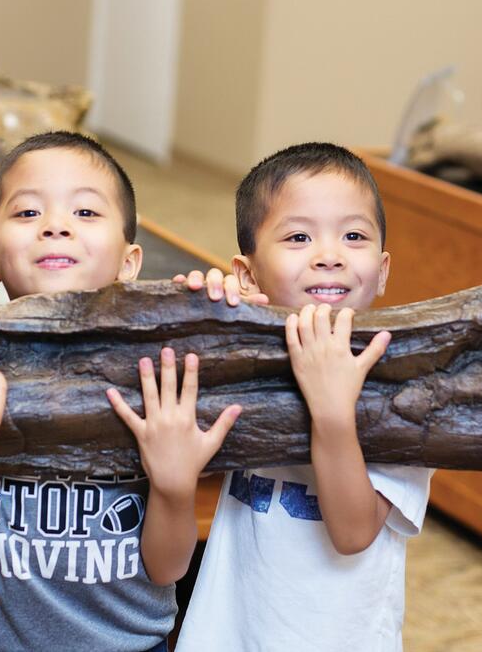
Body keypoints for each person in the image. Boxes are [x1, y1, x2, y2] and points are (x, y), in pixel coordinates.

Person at [0, 131, 244, 651]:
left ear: (130, 262)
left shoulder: (158, 373)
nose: (56, 226)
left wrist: (175, 484)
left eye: (86, 213)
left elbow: (168, 567)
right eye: (27, 214)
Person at [176, 143, 435, 651]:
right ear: (248, 274)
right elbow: (195, 462)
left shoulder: (408, 385)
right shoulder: (247, 358)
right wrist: (198, 323)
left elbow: (353, 533)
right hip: (226, 633)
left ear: (382, 269)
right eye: (299, 236)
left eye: (353, 235)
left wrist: (333, 411)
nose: (330, 255)